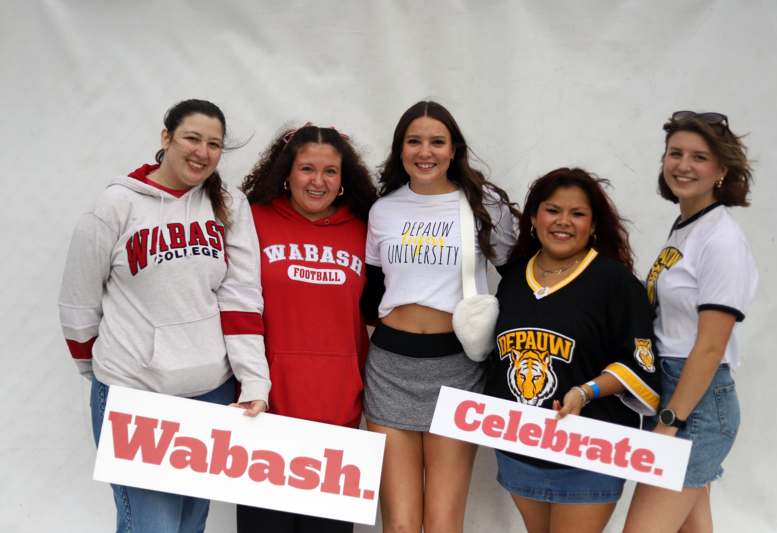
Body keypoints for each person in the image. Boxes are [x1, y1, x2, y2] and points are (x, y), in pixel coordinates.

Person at [58, 99, 268, 533]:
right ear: (166, 137)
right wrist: (98, 368)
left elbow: (241, 299)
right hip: (135, 395)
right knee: (152, 526)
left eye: (214, 144)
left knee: (191, 524)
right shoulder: (116, 205)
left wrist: (253, 380)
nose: (202, 152)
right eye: (192, 138)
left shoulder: (228, 204)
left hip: (211, 392)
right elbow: (77, 300)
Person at [363, 100, 518, 532]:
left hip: (457, 369)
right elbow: (372, 296)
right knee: (400, 523)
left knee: (444, 522)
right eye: (414, 141)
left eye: (436, 141)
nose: (424, 151)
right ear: (400, 149)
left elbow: (520, 280)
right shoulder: (383, 210)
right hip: (391, 367)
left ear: (454, 149)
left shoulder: (485, 206)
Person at [483, 167, 661, 533]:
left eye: (577, 214)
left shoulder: (616, 282)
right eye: (552, 210)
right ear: (534, 217)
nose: (563, 222)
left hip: (589, 448)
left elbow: (639, 364)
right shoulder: (515, 279)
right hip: (521, 447)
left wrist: (586, 390)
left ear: (594, 224)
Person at [237, 124, 378, 533]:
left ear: (343, 178)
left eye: (330, 171)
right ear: (286, 172)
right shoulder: (252, 219)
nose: (318, 181)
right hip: (265, 410)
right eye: (307, 169)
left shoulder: (364, 227)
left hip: (338, 414)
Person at [624, 111, 757, 533]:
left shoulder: (722, 240)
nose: (683, 165)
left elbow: (710, 346)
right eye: (675, 153)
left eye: (699, 157)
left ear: (721, 169)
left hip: (695, 402)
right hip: (677, 390)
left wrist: (670, 423)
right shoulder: (686, 228)